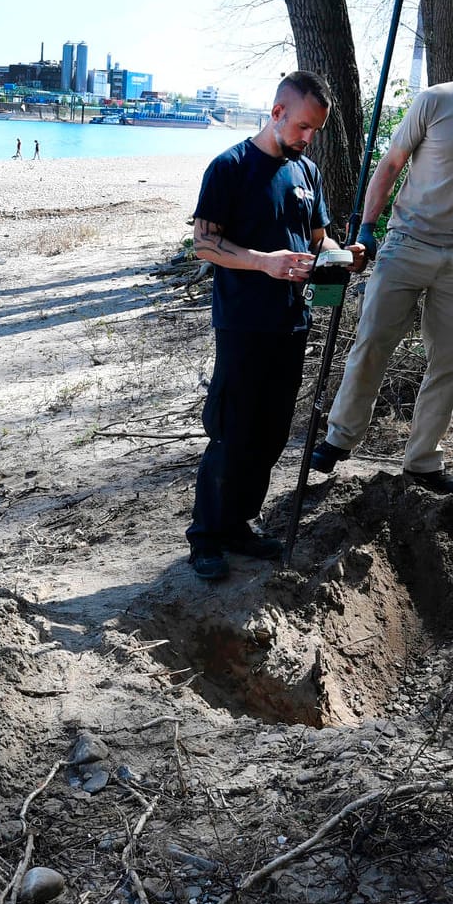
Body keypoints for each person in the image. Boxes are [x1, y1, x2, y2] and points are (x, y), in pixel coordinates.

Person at [311, 15, 453, 495]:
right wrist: (368, 229)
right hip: (406, 243)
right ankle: (339, 439)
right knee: (372, 341)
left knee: (451, 360)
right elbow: (391, 164)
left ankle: (422, 462)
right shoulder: (435, 100)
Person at [185, 71, 334, 581]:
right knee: (232, 431)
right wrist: (265, 262)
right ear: (276, 113)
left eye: (315, 130)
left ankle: (239, 526)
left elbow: (318, 240)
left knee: (270, 434)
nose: (307, 137)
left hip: (291, 323)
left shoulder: (307, 172)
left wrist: (342, 258)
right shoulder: (229, 167)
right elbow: (204, 244)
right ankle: (206, 536)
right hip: (243, 323)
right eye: (302, 127)